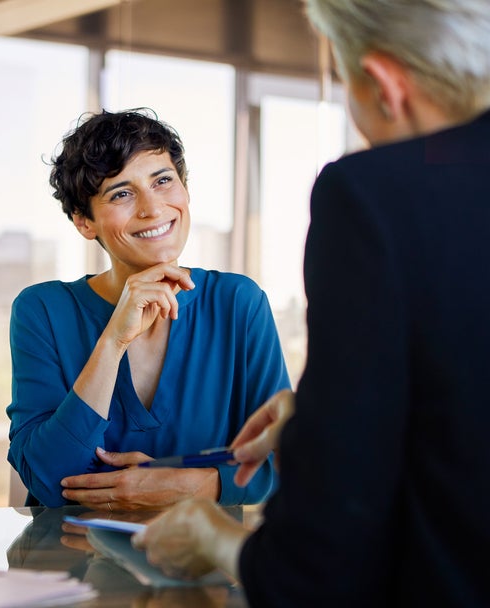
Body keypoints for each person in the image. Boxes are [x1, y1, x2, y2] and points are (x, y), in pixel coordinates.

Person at [132, 1, 490, 605]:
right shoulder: (46, 309)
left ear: (383, 86)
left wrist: (217, 541)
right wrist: (336, 415)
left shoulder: (374, 195)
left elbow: (319, 564)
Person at [6, 108, 290, 510]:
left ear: (185, 189)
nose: (152, 208)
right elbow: (50, 480)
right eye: (121, 193)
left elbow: (281, 462)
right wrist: (113, 340)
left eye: (163, 181)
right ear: (84, 222)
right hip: (68, 564)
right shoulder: (42, 310)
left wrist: (176, 486)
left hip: (202, 564)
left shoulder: (237, 302)